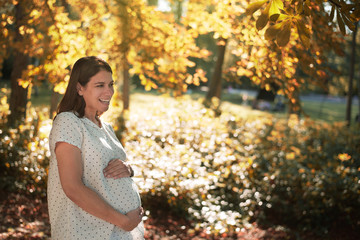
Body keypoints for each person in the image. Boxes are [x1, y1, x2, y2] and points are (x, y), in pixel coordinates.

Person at [47, 56, 144, 239]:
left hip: (118, 231)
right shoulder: (69, 122)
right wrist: (124, 221)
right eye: (100, 85)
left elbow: (107, 170)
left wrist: (128, 170)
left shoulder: (104, 127)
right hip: (87, 232)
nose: (109, 92)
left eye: (111, 84)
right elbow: (72, 187)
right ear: (79, 88)